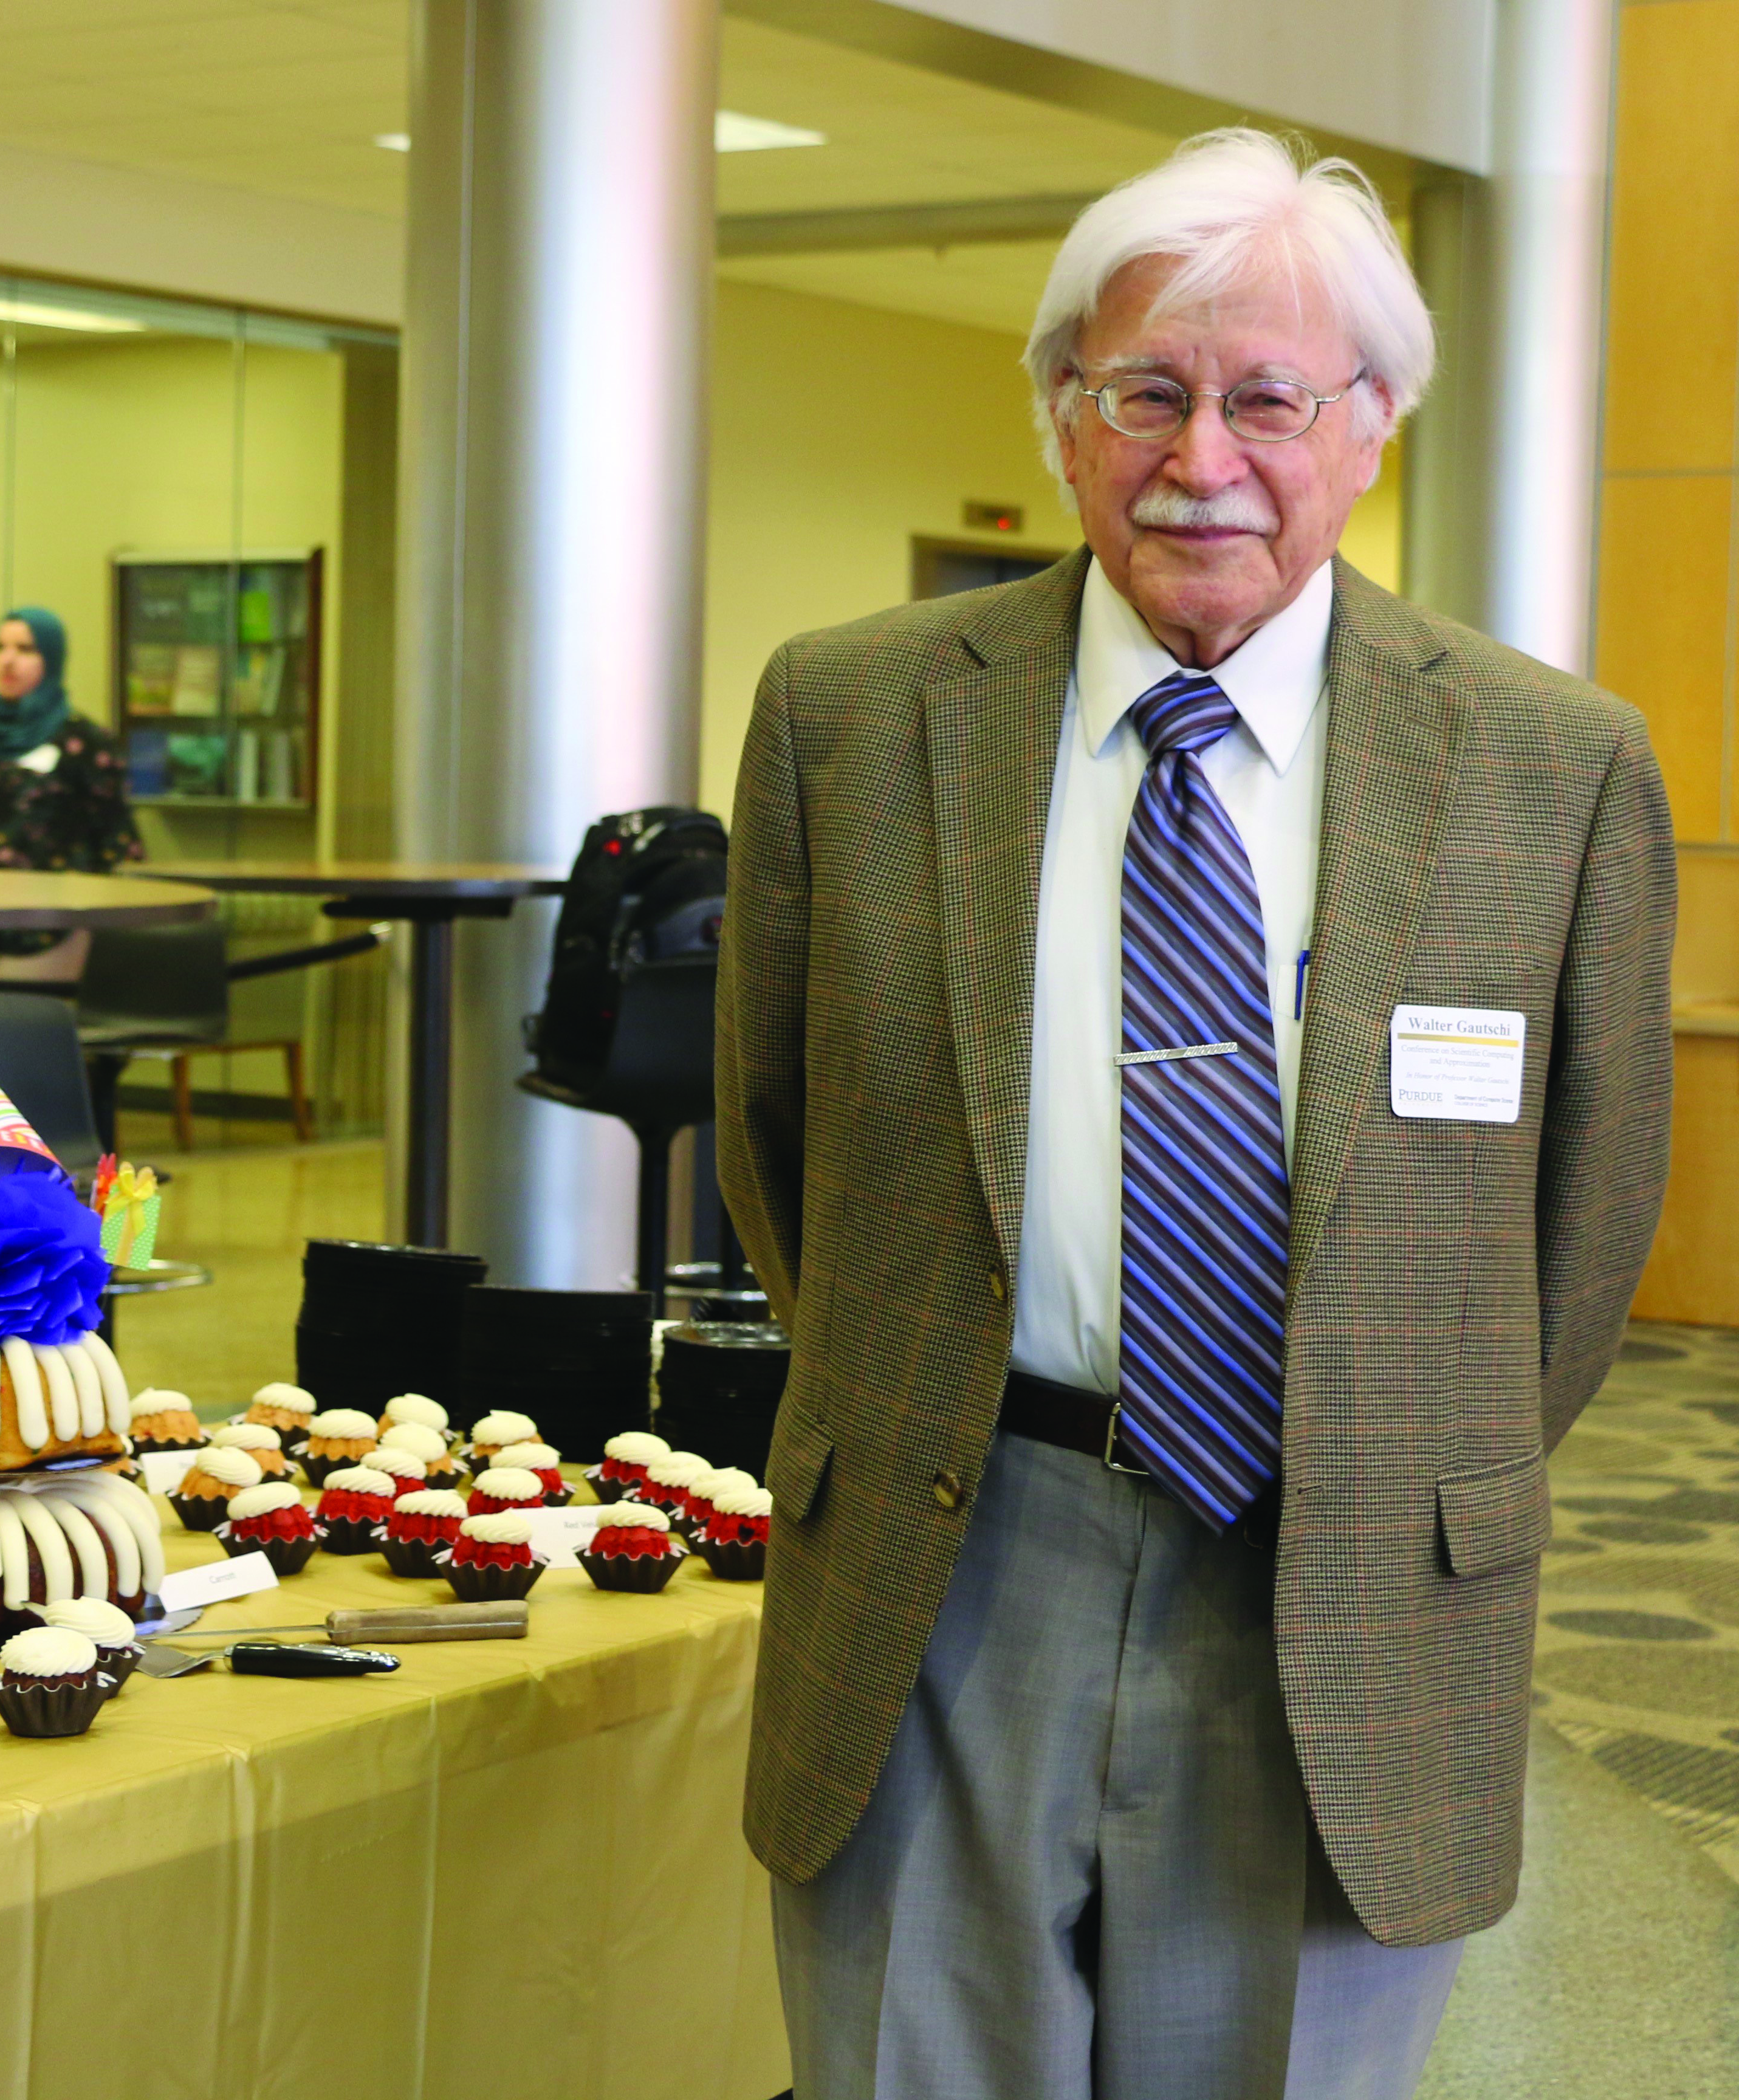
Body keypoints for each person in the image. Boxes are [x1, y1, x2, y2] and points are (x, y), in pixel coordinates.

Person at [716, 128, 1674, 2100]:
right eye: (1145, 391)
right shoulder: (853, 715)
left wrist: (1380, 1445)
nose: (1201, 455)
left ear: (1376, 423)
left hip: (1342, 1578)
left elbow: (1579, 1239)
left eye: (1268, 398)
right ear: (1065, 416)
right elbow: (778, 1146)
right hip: (946, 1560)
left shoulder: (1551, 766)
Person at [0, 606, 142, 980]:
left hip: (50, 923)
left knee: (19, 1024)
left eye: (26, 649)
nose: (9, 660)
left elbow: (117, 838)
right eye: (0, 647)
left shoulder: (81, 738)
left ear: (51, 659)